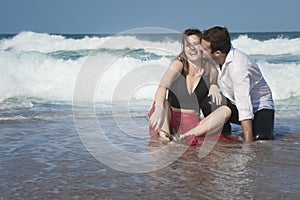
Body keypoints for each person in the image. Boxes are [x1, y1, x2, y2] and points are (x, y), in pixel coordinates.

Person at [148, 28, 232, 145]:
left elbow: (214, 83)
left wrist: (214, 85)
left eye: (195, 44)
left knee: (226, 110)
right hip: (168, 120)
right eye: (188, 45)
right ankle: (165, 138)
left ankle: (184, 136)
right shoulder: (178, 65)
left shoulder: (210, 69)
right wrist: (158, 109)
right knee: (164, 103)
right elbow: (162, 87)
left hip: (193, 126)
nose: (191, 49)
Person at [201, 26, 275, 142]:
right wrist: (213, 84)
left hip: (259, 107)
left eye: (204, 49)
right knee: (208, 102)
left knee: (261, 140)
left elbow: (244, 104)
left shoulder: (238, 67)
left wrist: (247, 145)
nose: (201, 51)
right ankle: (224, 136)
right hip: (233, 104)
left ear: (217, 53)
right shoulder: (215, 58)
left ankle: (255, 132)